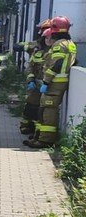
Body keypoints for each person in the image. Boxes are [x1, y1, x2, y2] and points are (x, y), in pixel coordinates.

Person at [27, 16, 76, 148]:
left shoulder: (59, 45)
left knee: (49, 111)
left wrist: (46, 82)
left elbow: (56, 64)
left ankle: (46, 141)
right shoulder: (69, 43)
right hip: (56, 83)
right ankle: (38, 137)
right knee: (43, 110)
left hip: (55, 83)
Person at [20, 19, 52, 138]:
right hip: (36, 84)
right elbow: (31, 67)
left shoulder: (56, 50)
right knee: (31, 106)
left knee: (42, 109)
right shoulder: (37, 50)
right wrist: (31, 80)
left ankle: (36, 133)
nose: (47, 38)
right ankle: (26, 126)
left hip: (48, 84)